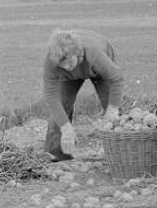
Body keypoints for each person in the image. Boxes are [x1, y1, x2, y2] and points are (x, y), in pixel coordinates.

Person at [42, 28, 125, 161]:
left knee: (112, 110)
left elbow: (116, 78)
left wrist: (113, 108)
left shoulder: (93, 52)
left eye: (69, 61)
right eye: (62, 64)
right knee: (63, 103)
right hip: (67, 78)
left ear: (77, 52)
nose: (67, 66)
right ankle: (57, 154)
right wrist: (66, 127)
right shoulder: (52, 61)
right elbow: (52, 97)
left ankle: (122, 153)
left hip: (98, 70)